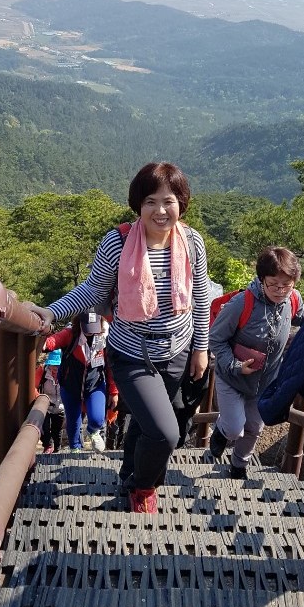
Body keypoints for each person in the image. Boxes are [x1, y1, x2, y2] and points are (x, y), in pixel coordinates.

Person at [30, 162, 210, 513]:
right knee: (165, 433)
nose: (160, 210)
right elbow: (92, 290)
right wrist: (52, 312)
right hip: (131, 354)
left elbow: (200, 296)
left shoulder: (191, 241)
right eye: (150, 202)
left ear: (181, 203)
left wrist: (200, 348)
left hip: (177, 349)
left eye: (169, 201)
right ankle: (143, 487)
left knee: (147, 424)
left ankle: (129, 474)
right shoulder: (119, 241)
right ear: (138, 205)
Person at [208, 246, 304, 477]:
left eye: (286, 285)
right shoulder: (242, 303)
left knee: (254, 427)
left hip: (264, 381)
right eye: (273, 284)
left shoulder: (291, 299)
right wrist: (235, 366)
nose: (280, 290)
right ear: (261, 279)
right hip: (232, 377)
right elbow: (215, 338)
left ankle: (238, 465)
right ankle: (222, 431)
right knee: (235, 428)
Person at [43, 311, 117, 452]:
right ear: (80, 324)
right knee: (73, 420)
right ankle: (75, 449)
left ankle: (92, 430)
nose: (91, 333)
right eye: (88, 329)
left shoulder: (104, 338)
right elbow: (53, 341)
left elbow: (110, 367)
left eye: (94, 329)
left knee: (97, 418)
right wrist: (44, 343)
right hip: (70, 386)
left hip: (95, 385)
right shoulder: (70, 334)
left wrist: (114, 391)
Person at [35, 348, 65, 453]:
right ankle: (47, 446)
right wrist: (40, 398)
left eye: (58, 365)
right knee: (45, 427)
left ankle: (57, 449)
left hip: (60, 405)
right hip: (45, 405)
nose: (55, 368)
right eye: (53, 365)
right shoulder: (42, 371)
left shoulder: (66, 372)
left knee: (57, 430)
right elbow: (33, 388)